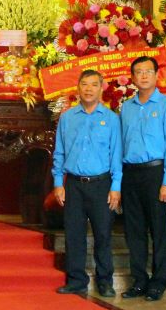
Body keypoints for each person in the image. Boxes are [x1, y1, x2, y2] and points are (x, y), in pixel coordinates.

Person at [51, 69, 123, 297]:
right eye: (85, 84)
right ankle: (76, 280)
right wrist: (57, 182)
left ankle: (104, 281)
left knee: (103, 234)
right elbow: (59, 152)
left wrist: (116, 187)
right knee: (74, 233)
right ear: (78, 88)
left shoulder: (111, 119)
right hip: (73, 184)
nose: (89, 89)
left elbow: (116, 155)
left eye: (94, 85)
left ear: (101, 89)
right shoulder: (67, 117)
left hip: (102, 184)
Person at [119, 56, 166, 301]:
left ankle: (158, 281)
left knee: (158, 229)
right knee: (134, 231)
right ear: (133, 78)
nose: (143, 76)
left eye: (148, 71)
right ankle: (139, 280)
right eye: (138, 72)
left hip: (156, 172)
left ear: (156, 75)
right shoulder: (126, 108)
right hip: (130, 173)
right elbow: (121, 144)